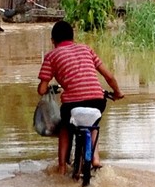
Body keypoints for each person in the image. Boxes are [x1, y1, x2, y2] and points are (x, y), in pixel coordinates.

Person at [37, 21, 124, 175]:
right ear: (73, 37)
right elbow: (109, 76)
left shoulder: (51, 56)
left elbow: (42, 89)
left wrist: (48, 89)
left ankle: (62, 166)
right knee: (94, 123)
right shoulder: (86, 49)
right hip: (97, 100)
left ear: (53, 41)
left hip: (71, 105)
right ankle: (96, 158)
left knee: (65, 128)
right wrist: (117, 92)